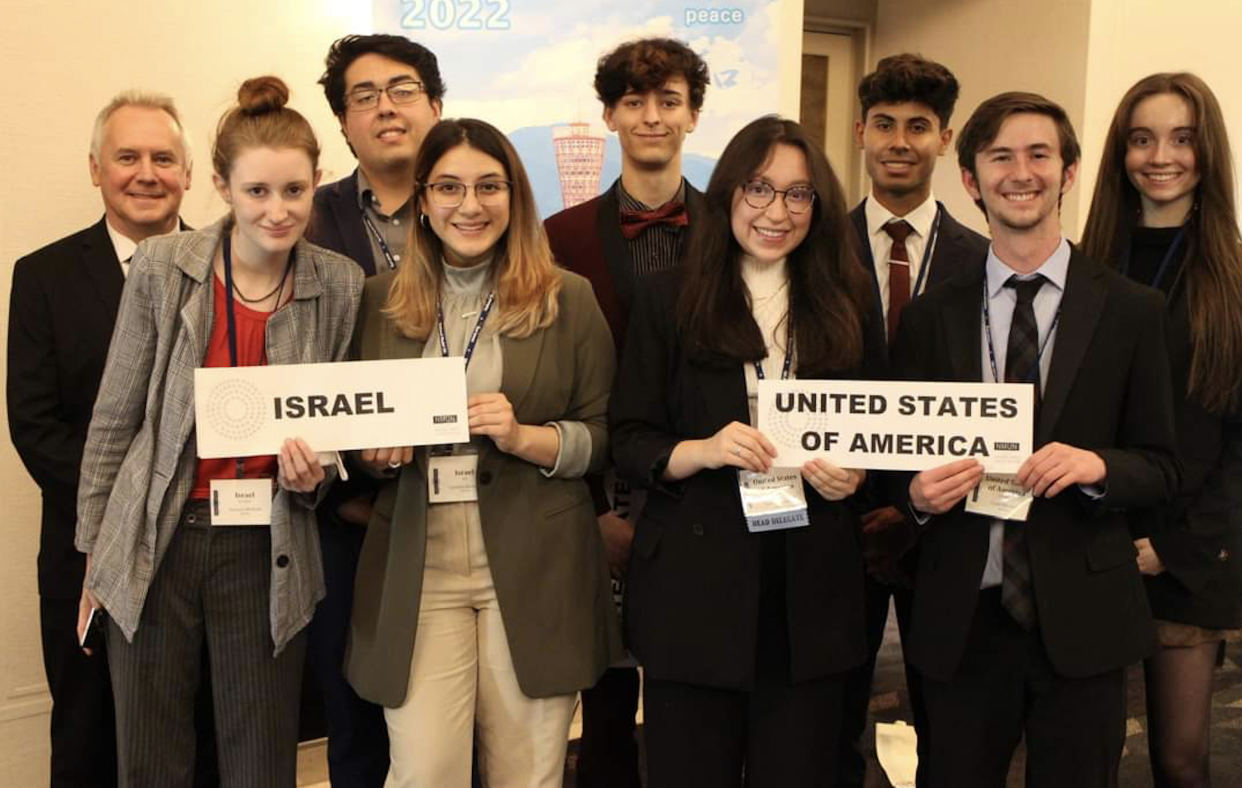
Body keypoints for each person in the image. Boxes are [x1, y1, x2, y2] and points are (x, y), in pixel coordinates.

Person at [74, 76, 363, 787]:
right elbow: (115, 418)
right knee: (150, 754)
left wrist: (318, 471)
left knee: (260, 755)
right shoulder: (163, 268)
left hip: (269, 542)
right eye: (257, 191)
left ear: (316, 183)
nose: (277, 210)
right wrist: (94, 554)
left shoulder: (341, 283)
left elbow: (331, 421)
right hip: (156, 535)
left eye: (293, 191)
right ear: (222, 186)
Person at [892, 91, 1178, 788]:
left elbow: (1166, 468)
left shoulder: (1134, 312)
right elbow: (890, 470)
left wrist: (1098, 466)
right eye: (1000, 157)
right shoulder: (931, 317)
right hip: (962, 619)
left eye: (1039, 154)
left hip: (1084, 621)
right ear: (970, 180)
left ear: (1069, 171)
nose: (1021, 172)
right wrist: (917, 498)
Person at [345, 118, 621, 788]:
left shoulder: (568, 297)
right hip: (420, 565)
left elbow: (608, 437)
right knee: (423, 771)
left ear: (515, 196)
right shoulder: (377, 302)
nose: (470, 206)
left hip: (535, 566)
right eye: (449, 187)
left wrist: (528, 436)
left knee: (527, 774)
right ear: (423, 199)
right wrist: (373, 454)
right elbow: (348, 430)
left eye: (488, 186)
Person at [610, 115, 884, 787]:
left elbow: (877, 427)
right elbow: (628, 439)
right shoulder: (668, 298)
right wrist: (701, 450)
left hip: (812, 588)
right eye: (759, 189)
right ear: (729, 192)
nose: (776, 211)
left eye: (798, 194)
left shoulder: (848, 299)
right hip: (694, 590)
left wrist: (859, 474)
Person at [7, 90, 221, 788]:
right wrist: (133, 506)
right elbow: (35, 426)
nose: (146, 172)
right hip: (88, 554)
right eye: (127, 157)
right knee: (89, 738)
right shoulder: (41, 277)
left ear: (189, 173)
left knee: (206, 736)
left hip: (211, 552)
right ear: (95, 169)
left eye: (164, 157)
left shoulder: (237, 271)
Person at [542, 36, 708, 788]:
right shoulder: (559, 237)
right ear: (609, 115)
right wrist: (590, 513)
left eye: (668, 101)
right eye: (634, 102)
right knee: (602, 702)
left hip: (700, 495)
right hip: (595, 492)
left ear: (693, 116)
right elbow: (545, 383)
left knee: (693, 698)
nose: (651, 117)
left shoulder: (736, 230)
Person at [1081, 72, 1242, 788]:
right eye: (1141, 138)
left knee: (1181, 760)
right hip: (1088, 543)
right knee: (1084, 753)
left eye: (1182, 138)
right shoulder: (1084, 265)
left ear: (1208, 151)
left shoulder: (1233, 280)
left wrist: (1170, 547)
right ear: (1120, 153)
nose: (1161, 156)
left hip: (1186, 552)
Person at [841, 53, 989, 788]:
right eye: (887, 124)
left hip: (946, 520)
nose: (901, 141)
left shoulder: (986, 262)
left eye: (919, 127)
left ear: (945, 139)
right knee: (831, 721)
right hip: (837, 516)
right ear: (860, 130)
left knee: (949, 724)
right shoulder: (812, 251)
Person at [306, 33, 445, 787]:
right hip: (347, 520)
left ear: (435, 105)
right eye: (365, 96)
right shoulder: (305, 219)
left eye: (402, 89)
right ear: (344, 122)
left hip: (464, 511)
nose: (386, 107)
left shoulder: (476, 202)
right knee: (355, 718)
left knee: (459, 723)